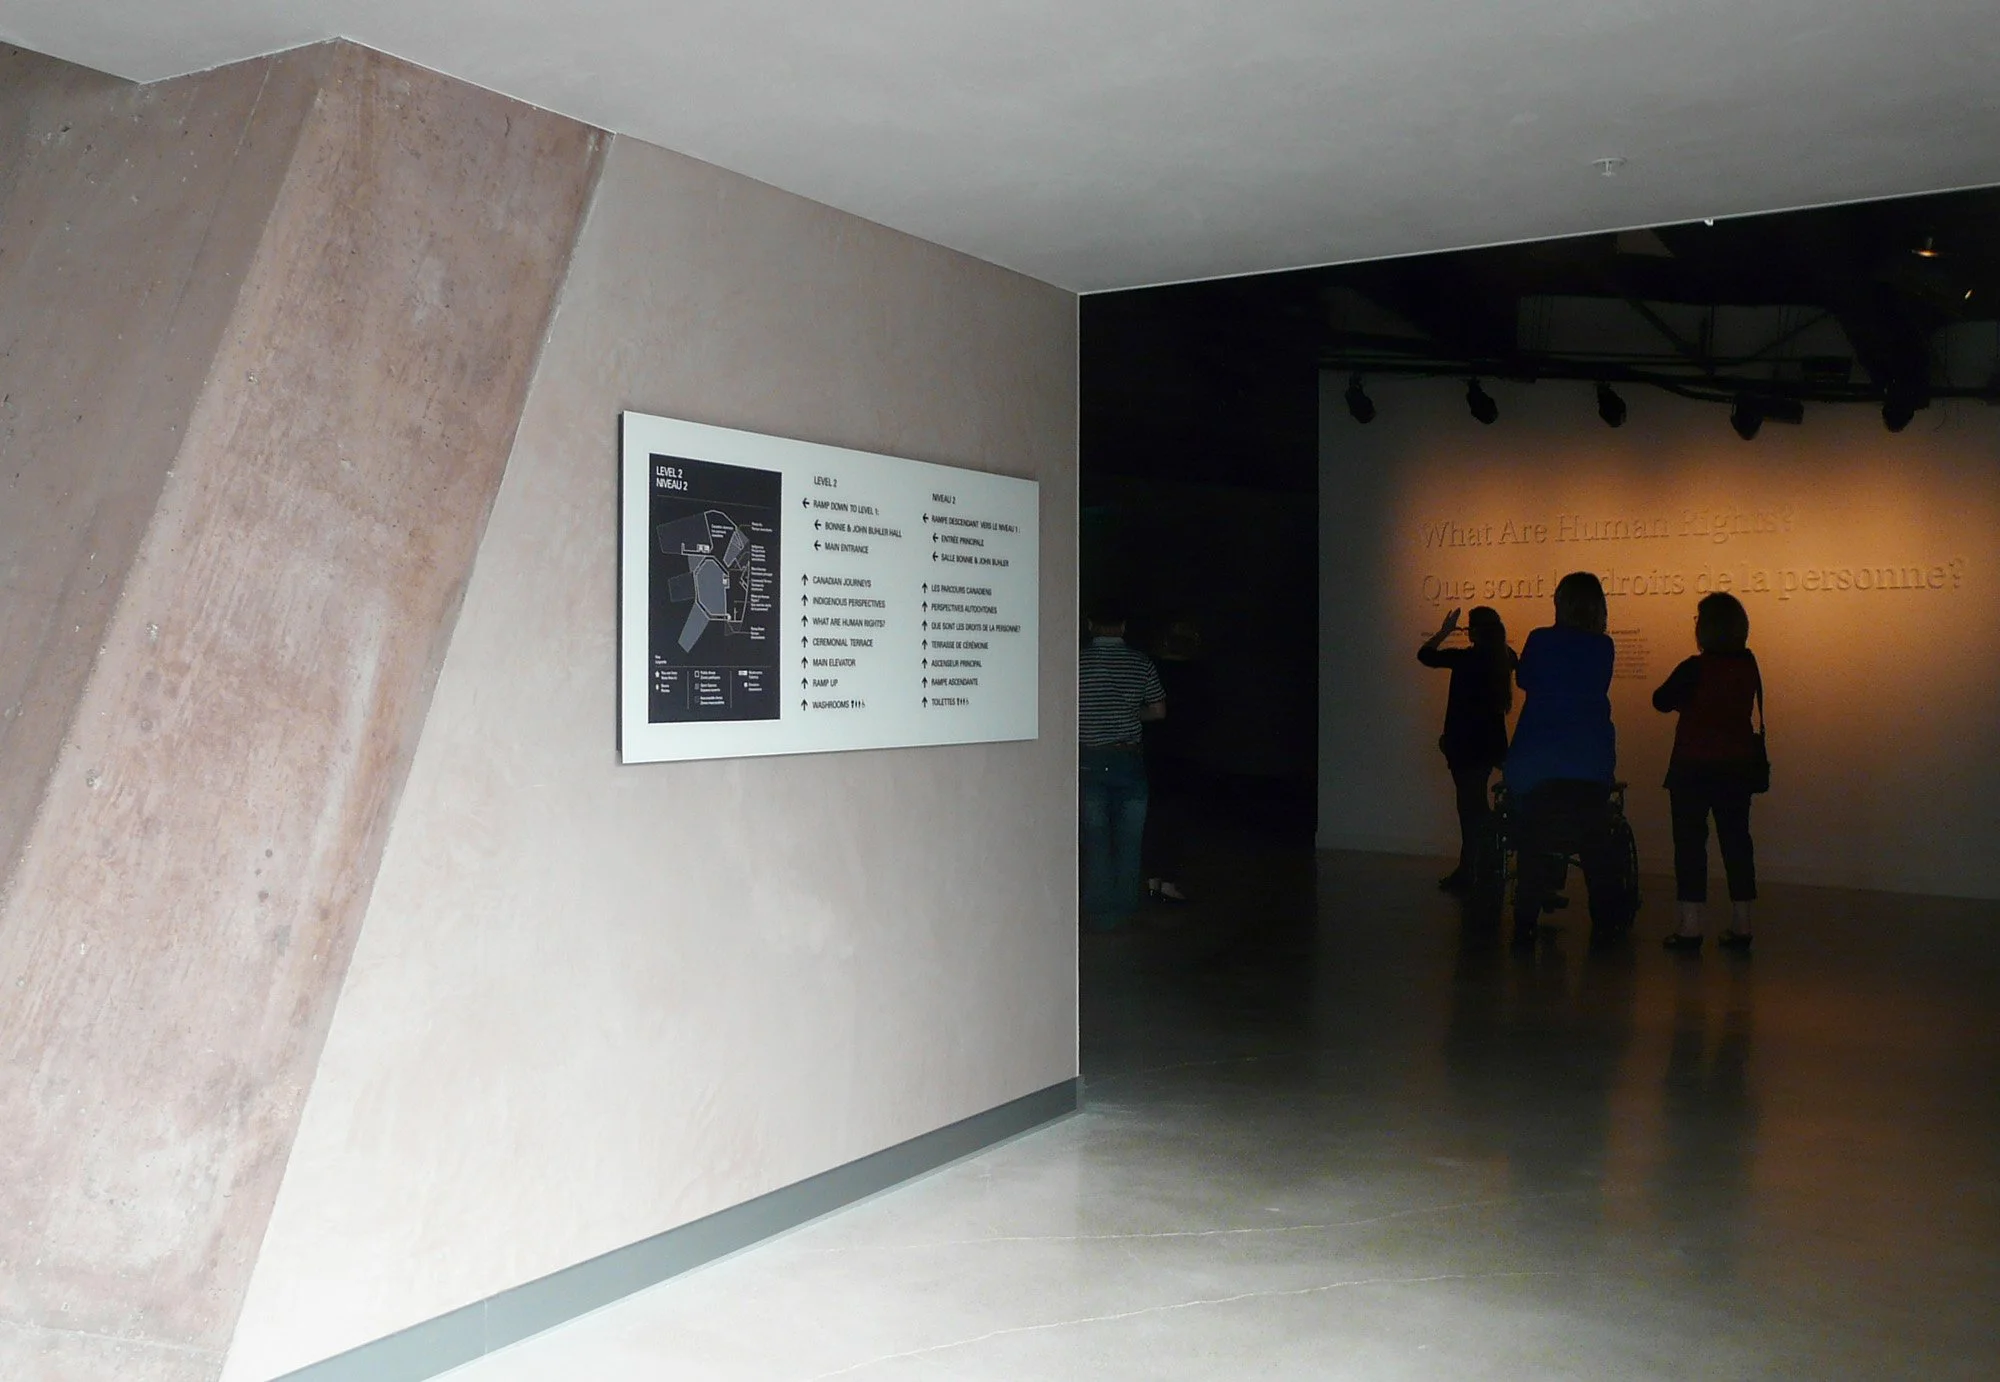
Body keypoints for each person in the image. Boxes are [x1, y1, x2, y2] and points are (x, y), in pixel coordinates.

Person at [1502, 572, 1618, 950]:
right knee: (1596, 846)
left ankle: (1525, 922)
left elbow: (1525, 680)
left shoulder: (1540, 640)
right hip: (1589, 760)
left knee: (1533, 841)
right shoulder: (1604, 647)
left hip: (1539, 760)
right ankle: (1604, 923)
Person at [1653, 593, 1762, 953]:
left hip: (1692, 767)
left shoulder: (1694, 668)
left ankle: (1690, 926)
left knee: (1689, 847)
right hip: (1737, 766)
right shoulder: (1749, 665)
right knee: (1737, 843)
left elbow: (1661, 700)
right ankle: (1743, 922)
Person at [1078, 603, 1166, 929]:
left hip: (1088, 757)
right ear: (1124, 627)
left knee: (1095, 836)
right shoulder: (1140, 663)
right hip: (1127, 758)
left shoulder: (1079, 663)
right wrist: (1131, 715)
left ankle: (1099, 911)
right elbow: (1158, 711)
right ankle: (1126, 907)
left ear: (1089, 625)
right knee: (1129, 837)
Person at [1418, 605, 1517, 893]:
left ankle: (1472, 868)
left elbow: (1425, 655)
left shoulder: (1466, 659)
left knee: (1469, 808)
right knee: (1476, 805)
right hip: (1488, 745)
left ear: (1475, 630)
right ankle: (1482, 864)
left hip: (1465, 746)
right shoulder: (1503, 657)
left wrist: (1446, 630)